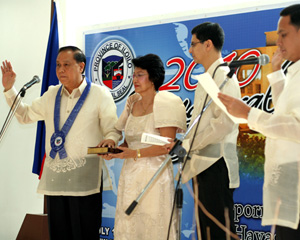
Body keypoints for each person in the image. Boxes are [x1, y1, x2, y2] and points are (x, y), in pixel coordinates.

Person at [1, 46, 121, 240]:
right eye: (58, 65)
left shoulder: (99, 94)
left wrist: (110, 139)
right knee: (59, 234)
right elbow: (24, 115)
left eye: (66, 65)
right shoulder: (51, 94)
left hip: (85, 178)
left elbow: (113, 129)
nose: (60, 70)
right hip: (56, 177)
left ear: (81, 66)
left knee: (85, 233)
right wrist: (10, 89)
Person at [218, 4, 300, 240]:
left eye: (283, 35)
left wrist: (249, 114)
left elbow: (295, 127)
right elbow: (284, 110)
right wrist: (275, 72)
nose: (279, 42)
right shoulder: (294, 70)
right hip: (287, 193)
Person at [102, 54, 187, 240]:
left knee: (153, 226)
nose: (135, 79)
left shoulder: (166, 102)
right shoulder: (132, 104)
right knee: (129, 227)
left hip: (155, 176)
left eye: (140, 75)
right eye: (133, 75)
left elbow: (167, 145)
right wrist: (115, 151)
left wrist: (133, 153)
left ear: (153, 77)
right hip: (130, 176)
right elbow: (128, 141)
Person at [171, 22, 241, 240]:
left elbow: (224, 124)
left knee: (220, 231)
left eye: (193, 44)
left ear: (208, 44)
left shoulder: (224, 76)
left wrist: (190, 144)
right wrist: (186, 144)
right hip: (202, 164)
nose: (190, 50)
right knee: (206, 230)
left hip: (217, 164)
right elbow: (200, 123)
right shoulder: (207, 78)